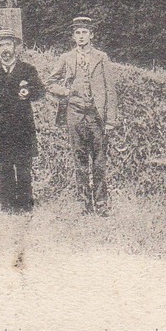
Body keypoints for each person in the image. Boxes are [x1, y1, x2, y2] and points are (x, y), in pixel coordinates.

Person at [47, 15, 118, 216]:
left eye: (84, 32)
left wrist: (110, 120)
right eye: (77, 33)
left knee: (99, 161)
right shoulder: (66, 58)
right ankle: (84, 204)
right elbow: (50, 82)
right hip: (75, 114)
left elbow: (110, 90)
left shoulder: (101, 57)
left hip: (96, 116)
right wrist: (66, 92)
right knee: (79, 161)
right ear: (73, 36)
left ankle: (102, 203)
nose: (81, 36)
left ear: (91, 35)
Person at [0, 29, 46, 213]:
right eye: (1, 45)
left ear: (15, 47)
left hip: (22, 126)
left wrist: (29, 91)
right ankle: (7, 204)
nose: (5, 49)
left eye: (8, 44)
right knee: (4, 167)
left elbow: (40, 91)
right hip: (0, 128)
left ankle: (24, 203)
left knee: (24, 166)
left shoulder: (27, 70)